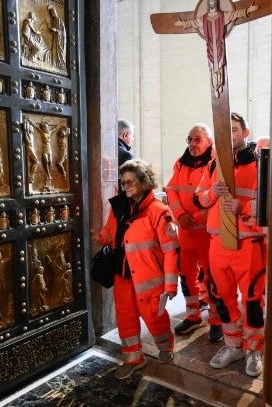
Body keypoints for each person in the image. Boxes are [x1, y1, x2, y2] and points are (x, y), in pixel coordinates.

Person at [91, 159, 180, 379]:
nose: (126, 186)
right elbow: (110, 231)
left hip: (149, 278)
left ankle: (166, 346)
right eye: (123, 183)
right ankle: (133, 358)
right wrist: (102, 236)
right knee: (125, 318)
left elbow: (171, 250)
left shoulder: (159, 212)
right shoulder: (119, 208)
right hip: (122, 276)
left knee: (154, 317)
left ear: (144, 182)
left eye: (131, 182)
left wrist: (170, 283)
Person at [194, 112, 266, 377]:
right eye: (225, 131)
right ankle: (233, 344)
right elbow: (198, 199)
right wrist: (212, 193)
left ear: (245, 133)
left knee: (253, 300)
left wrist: (243, 207)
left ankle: (253, 349)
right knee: (222, 299)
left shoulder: (261, 164)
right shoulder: (213, 165)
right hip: (218, 244)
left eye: (234, 130)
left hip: (249, 244)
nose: (229, 135)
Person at [165, 123, 222, 341]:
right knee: (186, 276)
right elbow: (171, 190)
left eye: (197, 139)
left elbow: (216, 198)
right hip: (186, 233)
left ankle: (216, 320)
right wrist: (180, 216)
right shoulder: (181, 163)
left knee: (212, 278)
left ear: (209, 141)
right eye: (189, 139)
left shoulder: (217, 163)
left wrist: (195, 218)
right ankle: (193, 315)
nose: (192, 144)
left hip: (208, 234)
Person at [174, 0, 258, 97]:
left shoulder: (223, 16)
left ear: (216, 2)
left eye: (213, 1)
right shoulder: (204, 18)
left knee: (220, 63)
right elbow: (194, 22)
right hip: (210, 47)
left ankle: (219, 84)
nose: (212, 3)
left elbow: (234, 14)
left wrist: (247, 10)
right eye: (210, 1)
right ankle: (215, 85)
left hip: (219, 46)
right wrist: (183, 23)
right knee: (212, 65)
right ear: (208, 4)